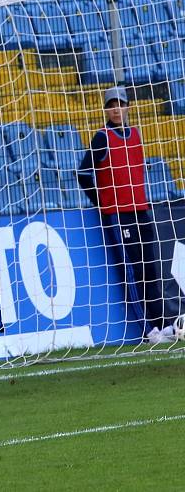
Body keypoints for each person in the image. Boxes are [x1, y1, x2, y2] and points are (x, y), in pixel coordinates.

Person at [77, 86, 175, 344]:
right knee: (132, 271)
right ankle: (147, 330)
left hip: (140, 209)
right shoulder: (102, 137)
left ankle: (162, 323)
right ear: (106, 109)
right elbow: (84, 173)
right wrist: (102, 201)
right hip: (118, 214)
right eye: (112, 105)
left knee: (150, 269)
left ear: (128, 107)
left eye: (121, 104)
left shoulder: (136, 135)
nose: (117, 109)